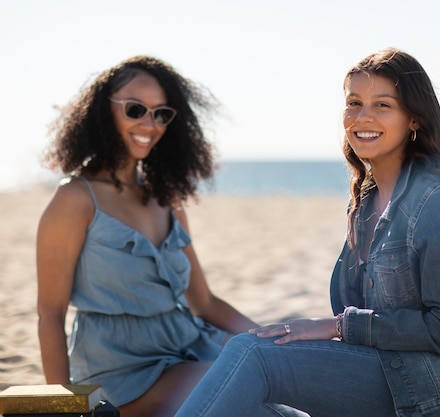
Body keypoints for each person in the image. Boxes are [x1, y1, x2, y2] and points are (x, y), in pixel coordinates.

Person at [173, 48, 440, 417]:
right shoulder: (366, 202)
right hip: (400, 378)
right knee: (244, 388)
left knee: (253, 356)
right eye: (354, 103)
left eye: (382, 105)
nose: (363, 117)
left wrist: (338, 326)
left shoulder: (436, 202)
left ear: (414, 120)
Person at [36, 56, 306, 417]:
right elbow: (49, 314)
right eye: (135, 109)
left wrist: (277, 337)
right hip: (124, 374)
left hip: (188, 347)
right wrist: (65, 407)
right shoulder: (75, 199)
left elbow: (205, 303)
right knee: (250, 387)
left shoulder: (166, 197)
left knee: (285, 378)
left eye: (161, 114)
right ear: (102, 112)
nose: (150, 124)